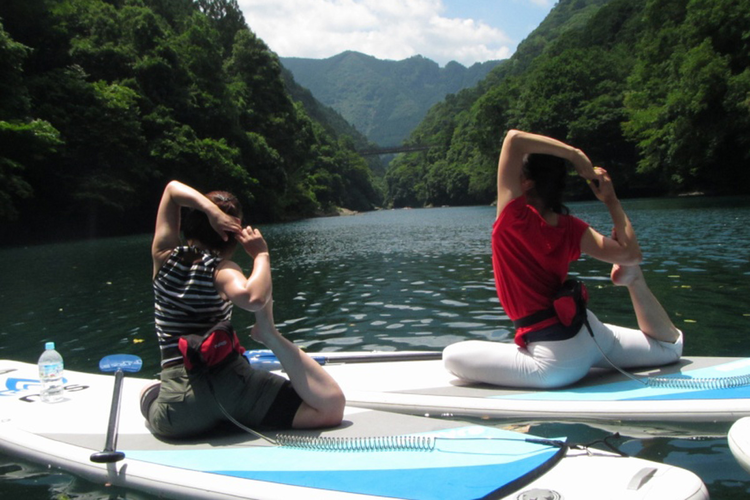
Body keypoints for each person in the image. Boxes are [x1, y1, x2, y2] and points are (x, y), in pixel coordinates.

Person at [442, 130, 682, 389]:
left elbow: (513, 138)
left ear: (526, 182)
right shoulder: (572, 228)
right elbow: (631, 254)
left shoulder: (513, 219)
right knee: (670, 349)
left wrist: (575, 155)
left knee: (451, 356)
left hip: (555, 364)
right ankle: (634, 280)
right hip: (591, 333)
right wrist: (611, 200)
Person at [141, 180, 345, 438]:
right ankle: (268, 335)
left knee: (147, 391)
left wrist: (211, 211)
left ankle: (158, 397)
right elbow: (253, 298)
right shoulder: (221, 270)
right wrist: (261, 255)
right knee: (329, 407)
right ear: (233, 235)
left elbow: (171, 190)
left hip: (180, 412)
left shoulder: (163, 255)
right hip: (237, 392)